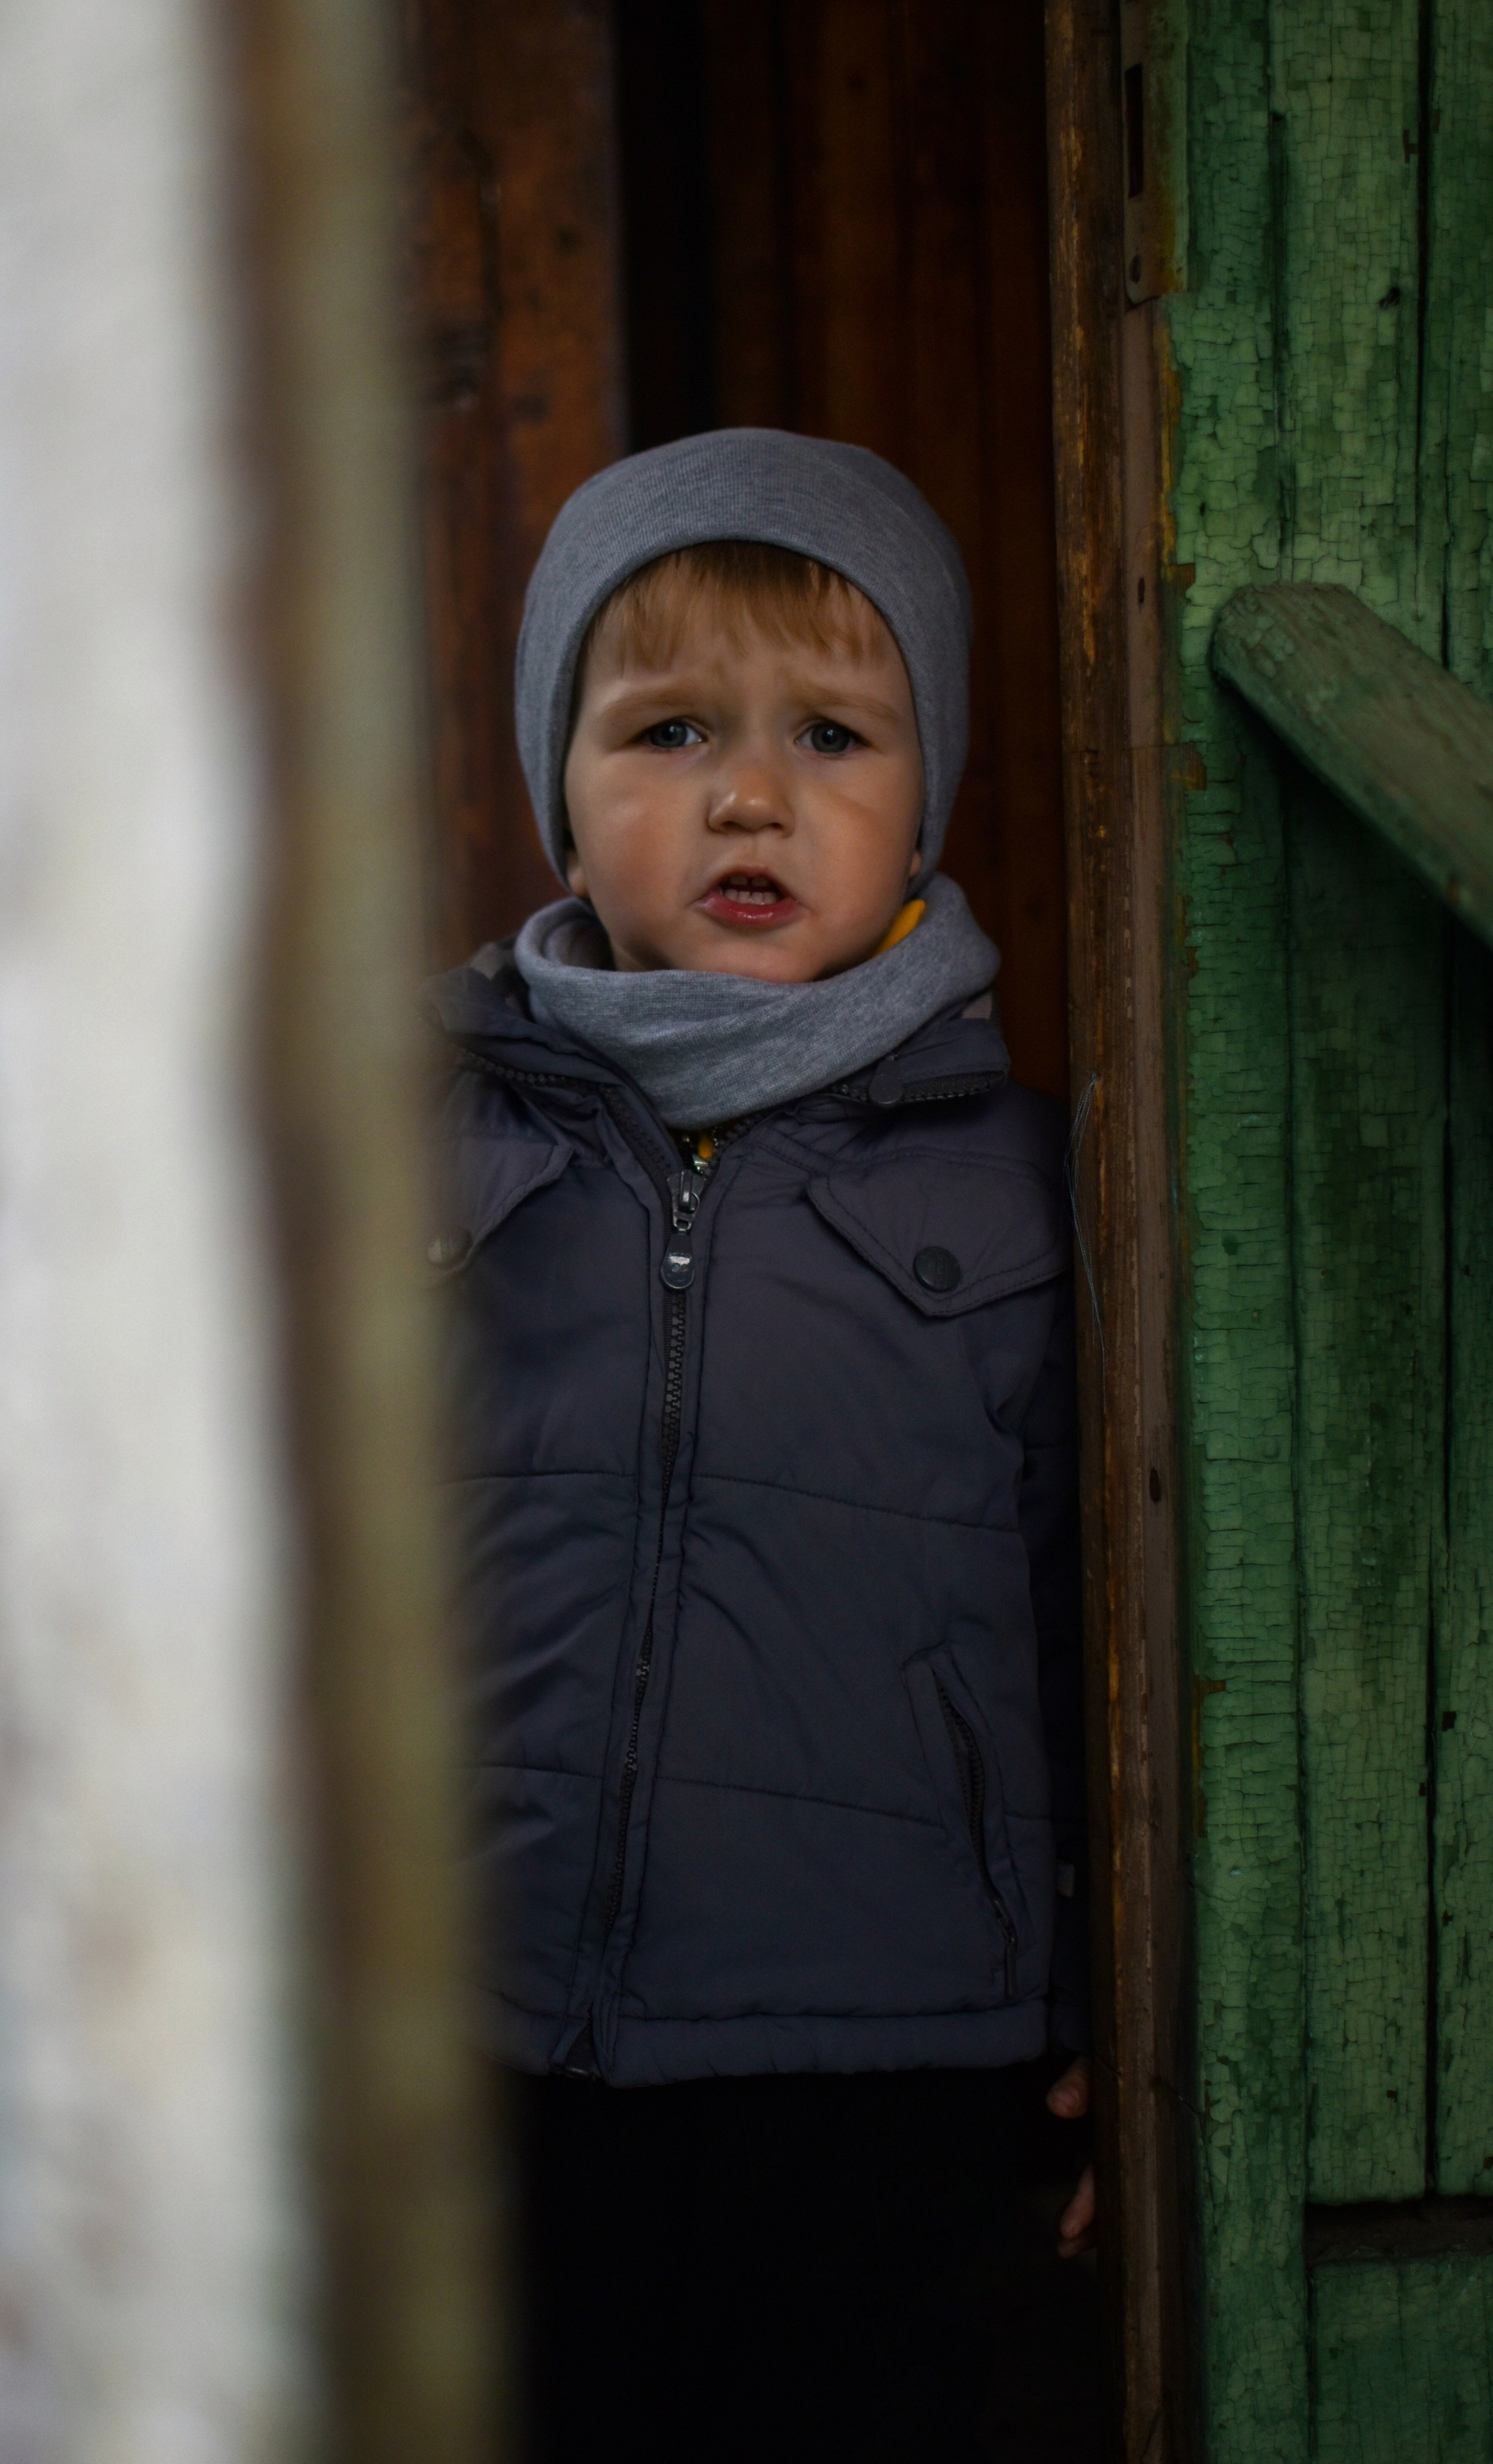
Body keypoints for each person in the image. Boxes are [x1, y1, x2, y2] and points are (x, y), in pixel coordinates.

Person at [425, 431, 1093, 2463]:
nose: (748, 792)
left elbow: (1112, 1614)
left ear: (926, 797)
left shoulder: (1036, 1176)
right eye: (666, 731)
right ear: (563, 798)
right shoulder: (425, 1143)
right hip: (477, 2045)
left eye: (831, 731)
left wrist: (1133, 2010)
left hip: (879, 2071)